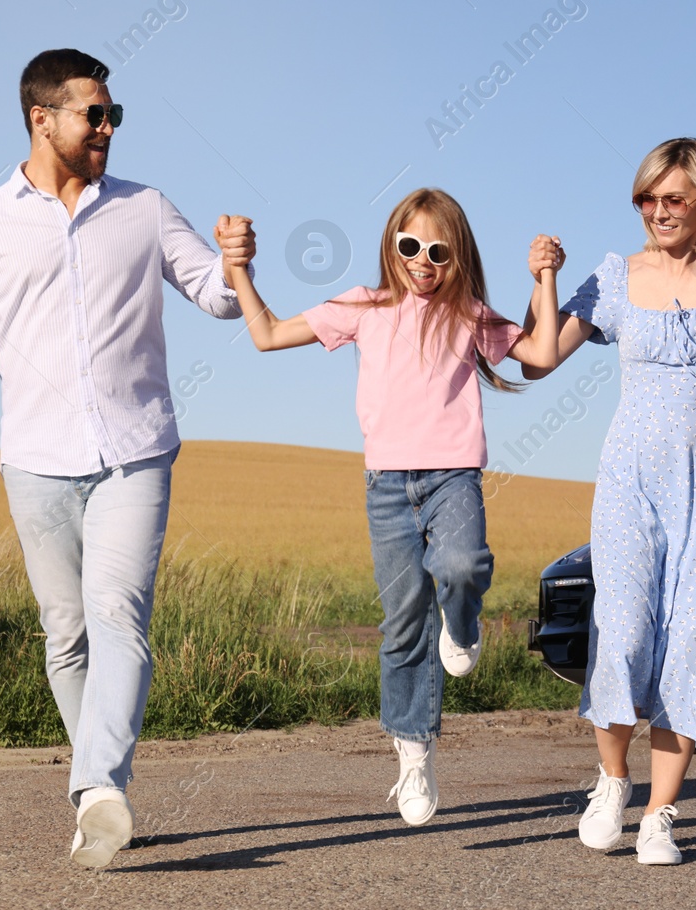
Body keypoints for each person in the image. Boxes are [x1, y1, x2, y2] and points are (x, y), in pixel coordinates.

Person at [0, 49, 250, 869]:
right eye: (94, 115)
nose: (108, 127)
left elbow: (214, 296)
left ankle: (103, 785)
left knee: (117, 614)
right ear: (43, 119)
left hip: (135, 448)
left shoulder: (144, 208)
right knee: (66, 633)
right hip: (36, 459)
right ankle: (96, 794)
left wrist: (237, 265)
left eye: (113, 115)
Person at [215, 188, 560, 824]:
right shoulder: (362, 307)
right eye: (410, 246)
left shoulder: (468, 314)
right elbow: (265, 335)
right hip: (387, 488)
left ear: (457, 256)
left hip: (453, 477)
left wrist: (544, 279)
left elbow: (539, 357)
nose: (422, 260)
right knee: (402, 624)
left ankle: (463, 624)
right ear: (390, 246)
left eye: (438, 250)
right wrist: (237, 267)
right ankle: (414, 754)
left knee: (461, 566)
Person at [522, 137, 696, 865]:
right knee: (624, 630)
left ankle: (660, 814)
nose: (658, 211)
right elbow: (540, 356)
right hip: (630, 477)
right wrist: (544, 279)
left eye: (673, 198)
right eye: (647, 198)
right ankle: (611, 781)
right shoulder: (615, 275)